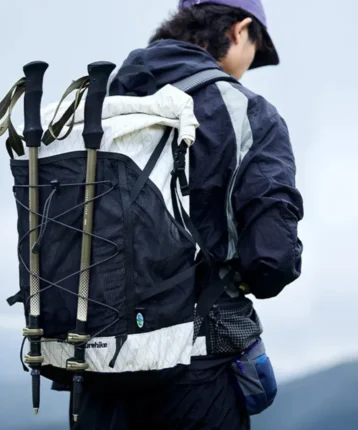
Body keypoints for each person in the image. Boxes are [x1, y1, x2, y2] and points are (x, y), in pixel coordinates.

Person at [62, 1, 304, 429]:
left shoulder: (103, 105)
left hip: (98, 370)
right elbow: (273, 261)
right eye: (255, 50)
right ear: (240, 29)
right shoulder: (251, 114)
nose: (249, 67)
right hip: (196, 379)